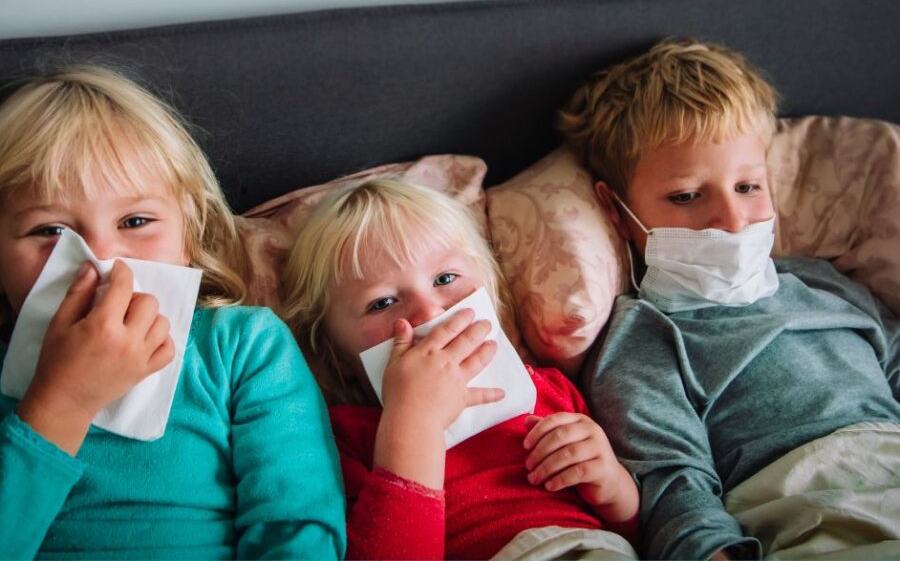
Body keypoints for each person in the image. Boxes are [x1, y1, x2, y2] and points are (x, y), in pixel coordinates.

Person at [559, 38, 900, 559]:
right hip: (818, 511)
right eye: (687, 196)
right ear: (615, 209)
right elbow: (676, 489)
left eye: (747, 187)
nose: (733, 220)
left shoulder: (826, 283)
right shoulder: (648, 337)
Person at [0, 65, 346, 558]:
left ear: (190, 230)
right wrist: (64, 403)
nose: (104, 258)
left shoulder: (242, 347)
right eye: (50, 231)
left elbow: (297, 522)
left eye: (136, 221)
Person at [281, 177, 640, 560]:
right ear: (337, 357)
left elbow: (630, 532)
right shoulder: (343, 439)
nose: (430, 313)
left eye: (446, 279)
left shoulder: (549, 389)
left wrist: (613, 485)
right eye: (382, 303)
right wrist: (413, 420)